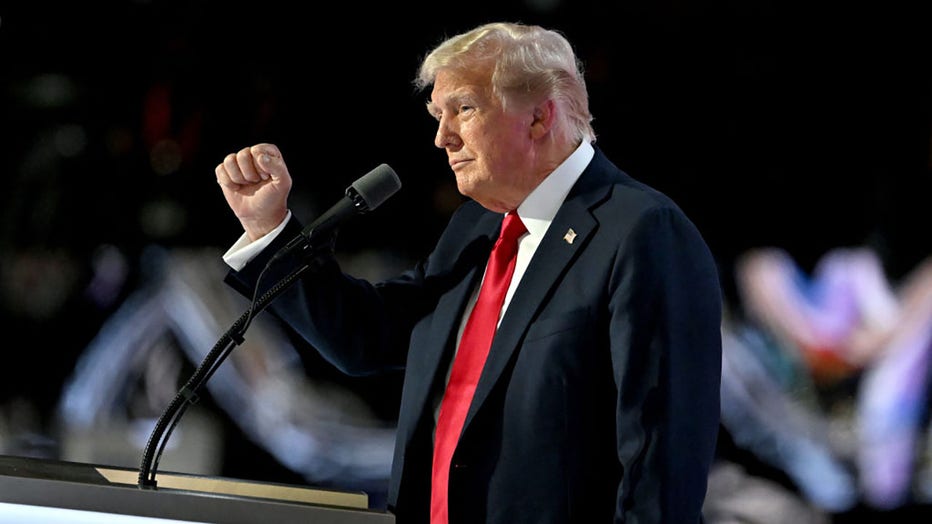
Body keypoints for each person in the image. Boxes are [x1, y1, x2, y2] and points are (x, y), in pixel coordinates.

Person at [214, 21, 722, 523]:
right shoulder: (478, 227)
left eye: (463, 108)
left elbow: (661, 465)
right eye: (438, 114)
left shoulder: (641, 232)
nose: (441, 137)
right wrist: (271, 230)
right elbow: (365, 338)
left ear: (540, 119)